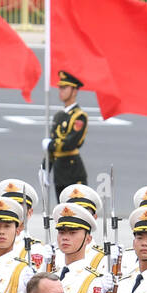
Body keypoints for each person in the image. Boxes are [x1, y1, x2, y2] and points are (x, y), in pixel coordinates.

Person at [42, 71, 88, 202]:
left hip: (73, 171)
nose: (60, 91)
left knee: (77, 211)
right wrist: (45, 167)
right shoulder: (59, 116)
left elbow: (70, 143)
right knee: (62, 211)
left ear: (74, 90)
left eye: (64, 88)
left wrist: (50, 144)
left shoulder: (79, 116)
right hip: (59, 171)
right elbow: (52, 148)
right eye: (60, 88)